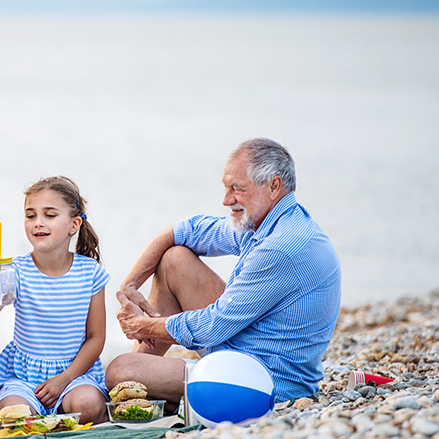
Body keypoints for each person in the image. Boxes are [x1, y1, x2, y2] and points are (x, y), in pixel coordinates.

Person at [106, 137, 341, 407]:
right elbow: (187, 230)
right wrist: (130, 285)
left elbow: (212, 327)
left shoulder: (280, 248)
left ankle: (138, 385)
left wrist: (142, 326)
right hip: (245, 348)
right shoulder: (269, 221)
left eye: (236, 189)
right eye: (226, 188)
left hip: (260, 381)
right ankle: (136, 387)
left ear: (274, 186)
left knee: (119, 370)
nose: (226, 200)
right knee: (174, 259)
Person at [0, 176, 109, 424]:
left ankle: (61, 415)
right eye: (30, 215)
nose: (38, 223)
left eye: (50, 215)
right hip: (23, 376)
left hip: (74, 373)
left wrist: (63, 380)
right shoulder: (15, 271)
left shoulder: (90, 272)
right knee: (13, 415)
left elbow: (96, 338)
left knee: (88, 406)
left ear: (74, 224)